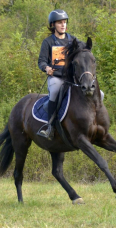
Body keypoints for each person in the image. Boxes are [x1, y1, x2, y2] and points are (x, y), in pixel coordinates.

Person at [38, 9, 78, 139]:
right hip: (57, 78)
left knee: (98, 93)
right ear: (53, 25)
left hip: (72, 78)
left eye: (65, 22)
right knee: (54, 91)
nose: (63, 25)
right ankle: (49, 127)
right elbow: (41, 61)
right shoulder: (48, 42)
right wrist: (47, 68)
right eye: (60, 23)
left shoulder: (73, 40)